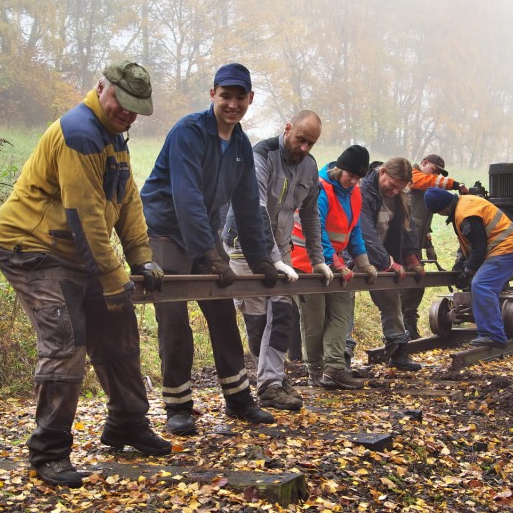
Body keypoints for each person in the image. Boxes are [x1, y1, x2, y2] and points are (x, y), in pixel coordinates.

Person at [0, 60, 171, 488]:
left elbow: (126, 200)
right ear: (101, 88)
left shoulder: (114, 137)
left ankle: (127, 423)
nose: (126, 112)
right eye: (121, 103)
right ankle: (48, 452)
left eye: (135, 108)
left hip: (75, 249)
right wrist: (112, 279)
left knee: (118, 327)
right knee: (66, 340)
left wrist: (141, 258)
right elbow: (86, 216)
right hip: (33, 248)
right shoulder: (80, 132)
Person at [139, 63, 278, 436]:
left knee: (222, 311)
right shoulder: (189, 132)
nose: (232, 105)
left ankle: (238, 398)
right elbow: (186, 197)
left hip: (203, 231)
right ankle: (178, 405)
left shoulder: (240, 146)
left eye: (239, 98)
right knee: (173, 318)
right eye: (225, 96)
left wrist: (260, 256)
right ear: (213, 94)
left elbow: (249, 205)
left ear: (250, 99)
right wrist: (211, 254)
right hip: (166, 231)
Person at [222, 110, 333, 411]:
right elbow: (254, 211)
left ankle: (272, 380)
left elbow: (311, 215)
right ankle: (269, 381)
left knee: (282, 311)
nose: (305, 148)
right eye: (301, 140)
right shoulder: (261, 156)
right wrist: (273, 259)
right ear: (287, 129)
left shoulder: (309, 167)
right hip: (245, 247)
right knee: (258, 318)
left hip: (280, 249)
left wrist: (317, 259)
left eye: (311, 143)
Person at [291, 145, 377, 389]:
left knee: (341, 312)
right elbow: (314, 229)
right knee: (314, 320)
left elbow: (354, 230)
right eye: (351, 175)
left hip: (337, 265)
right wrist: (335, 262)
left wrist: (363, 261)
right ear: (339, 168)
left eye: (359, 178)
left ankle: (334, 369)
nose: (354, 181)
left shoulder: (354, 193)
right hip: (306, 263)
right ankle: (315, 371)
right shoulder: (319, 189)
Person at [424, 188, 513, 347]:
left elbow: (479, 250)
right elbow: (470, 244)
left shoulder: (466, 215)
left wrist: (468, 271)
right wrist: (460, 266)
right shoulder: (463, 205)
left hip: (509, 248)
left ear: (441, 209)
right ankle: (489, 331)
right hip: (505, 248)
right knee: (481, 284)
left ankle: (493, 335)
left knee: (482, 284)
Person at [358, 157, 423, 371]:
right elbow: (364, 231)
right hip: (355, 254)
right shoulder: (364, 191)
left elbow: (407, 227)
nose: (394, 192)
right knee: (343, 307)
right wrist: (386, 261)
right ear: (382, 172)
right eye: (392, 186)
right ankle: (342, 359)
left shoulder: (399, 197)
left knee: (392, 303)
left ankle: (397, 350)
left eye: (400, 189)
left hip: (383, 256)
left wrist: (411, 256)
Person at [399, 154, 469, 339]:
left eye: (439, 173)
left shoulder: (425, 184)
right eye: (434, 170)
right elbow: (427, 183)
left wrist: (428, 242)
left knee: (417, 283)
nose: (436, 175)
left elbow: (422, 217)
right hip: (400, 242)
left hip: (415, 244)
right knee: (403, 284)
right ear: (423, 163)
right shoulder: (412, 175)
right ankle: (398, 327)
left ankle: (410, 325)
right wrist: (456, 185)